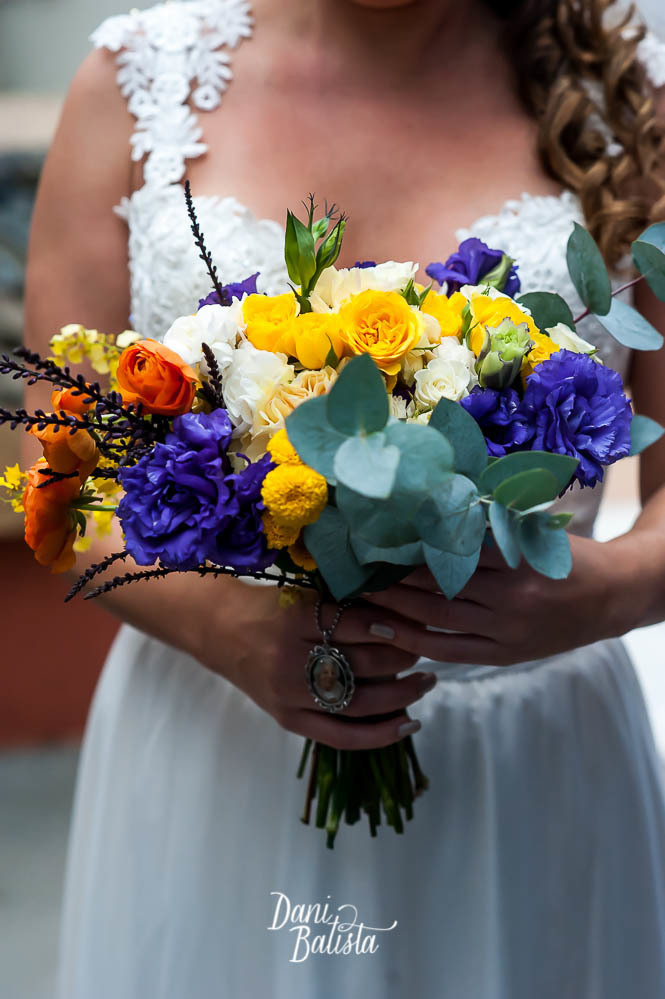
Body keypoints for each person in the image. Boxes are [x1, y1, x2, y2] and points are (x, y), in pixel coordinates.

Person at [22, 0, 665, 995]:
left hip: (527, 757)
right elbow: (60, 467)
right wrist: (217, 623)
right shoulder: (138, 83)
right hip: (218, 743)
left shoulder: (630, 97)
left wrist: (608, 589)